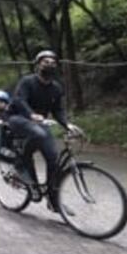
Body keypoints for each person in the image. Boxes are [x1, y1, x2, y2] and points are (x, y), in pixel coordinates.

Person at [6, 50, 83, 212]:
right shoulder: (27, 81)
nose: (49, 65)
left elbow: (58, 110)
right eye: (45, 62)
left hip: (40, 124)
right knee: (39, 133)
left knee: (53, 159)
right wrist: (31, 115)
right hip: (18, 118)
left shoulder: (56, 88)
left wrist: (67, 125)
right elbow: (19, 100)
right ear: (37, 64)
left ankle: (53, 201)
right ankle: (23, 164)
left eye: (53, 62)